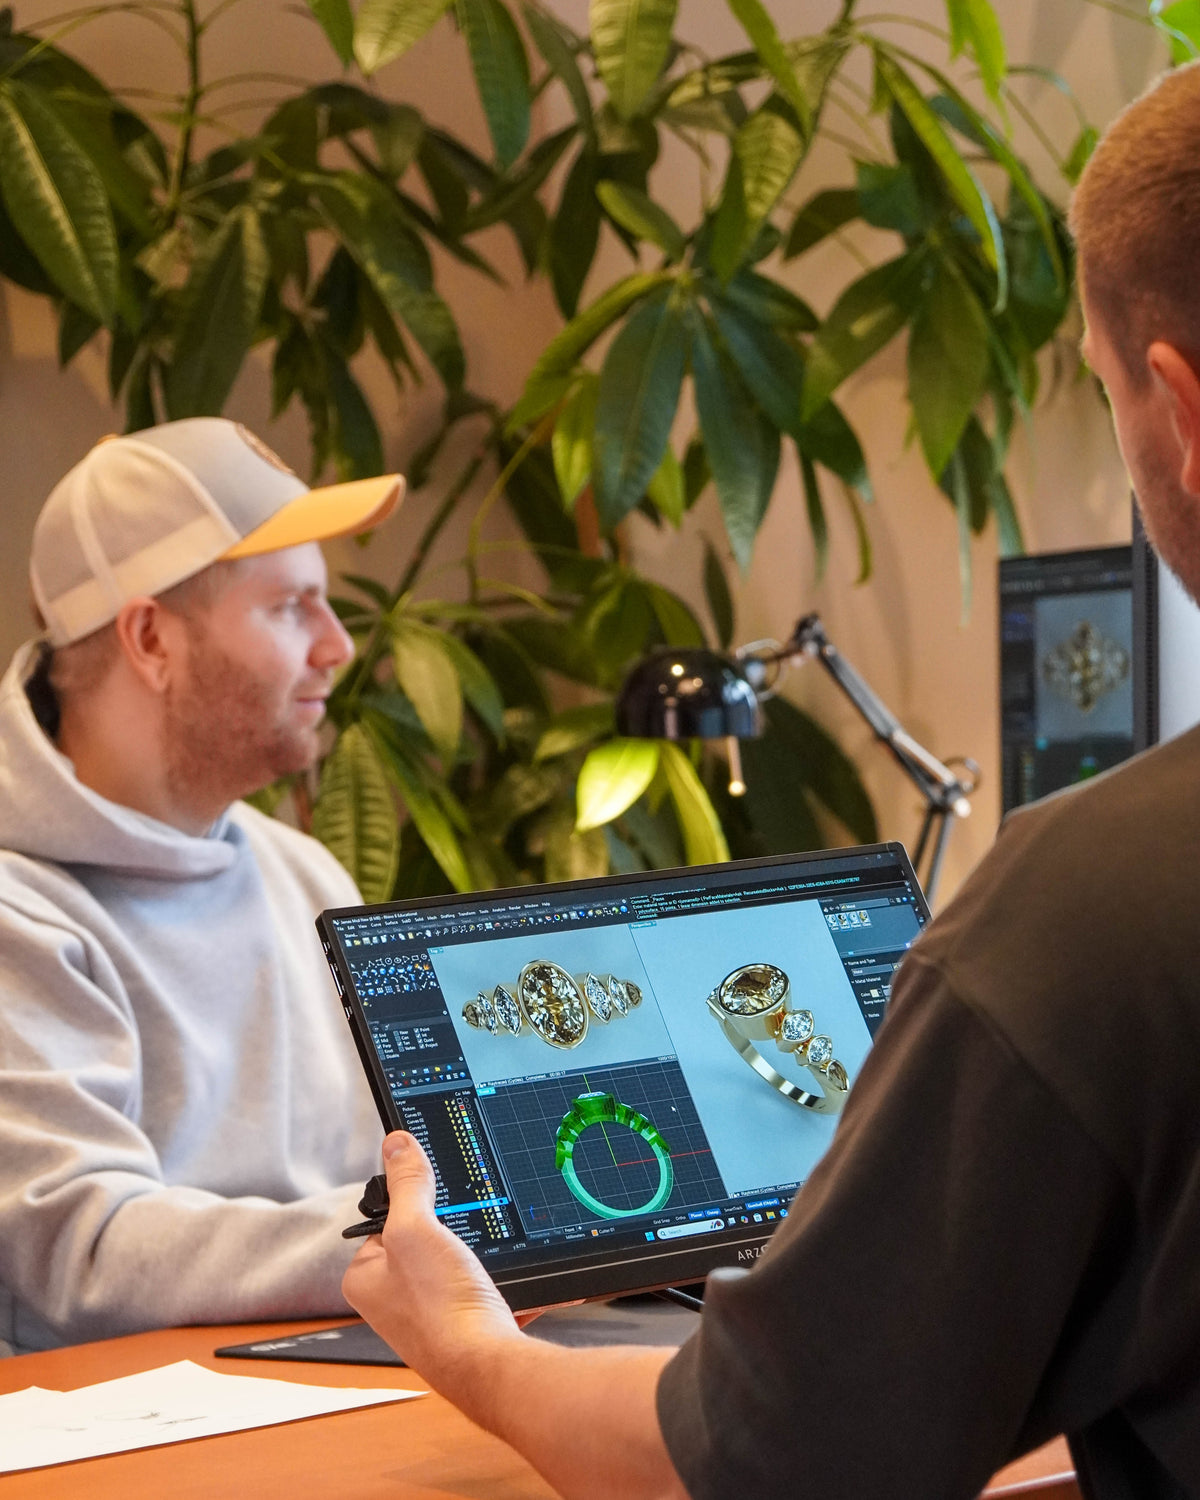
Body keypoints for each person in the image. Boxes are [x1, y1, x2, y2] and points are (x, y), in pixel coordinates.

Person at [341, 61, 1200, 1500]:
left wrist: (470, 1345)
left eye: (1108, 396)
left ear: (1179, 409)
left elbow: (751, 1469)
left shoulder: (1100, 912)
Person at [0, 416, 404, 1354]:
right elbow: (83, 1253)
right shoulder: (20, 911)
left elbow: (408, 1157)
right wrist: (412, 1232)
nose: (337, 646)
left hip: (343, 1368)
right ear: (151, 638)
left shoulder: (302, 869)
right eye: (290, 608)